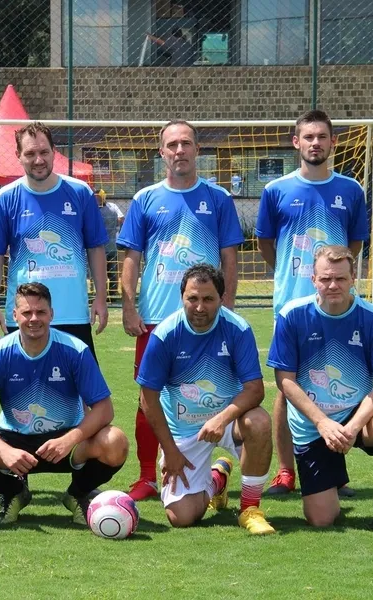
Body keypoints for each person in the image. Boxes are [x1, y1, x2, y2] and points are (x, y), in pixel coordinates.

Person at [117, 119, 243, 501]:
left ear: (197, 150)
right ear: (161, 152)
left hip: (209, 320)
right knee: (148, 397)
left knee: (219, 393)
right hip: (157, 319)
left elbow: (229, 257)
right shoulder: (145, 199)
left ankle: (220, 463)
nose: (179, 151)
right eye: (172, 145)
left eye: (186, 143)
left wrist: (229, 308)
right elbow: (131, 258)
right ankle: (146, 477)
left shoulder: (218, 198)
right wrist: (128, 306)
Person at [255, 109, 369, 498]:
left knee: (339, 382)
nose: (315, 143)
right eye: (308, 137)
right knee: (287, 387)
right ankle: (286, 472)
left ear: (332, 142)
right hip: (291, 303)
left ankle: (334, 472)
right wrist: (294, 276)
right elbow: (266, 245)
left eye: (322, 136)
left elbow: (352, 248)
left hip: (338, 304)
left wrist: (334, 280)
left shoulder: (351, 190)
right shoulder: (276, 191)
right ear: (296, 142)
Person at [0, 283, 128, 525]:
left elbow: (104, 409)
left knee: (115, 442)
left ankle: (77, 494)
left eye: (41, 312)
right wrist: (3, 450)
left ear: (51, 314)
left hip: (66, 442)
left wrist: (70, 439)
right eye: (26, 313)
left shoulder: (75, 350)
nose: (34, 319)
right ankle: (14, 491)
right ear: (14, 315)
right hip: (14, 442)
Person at [267, 246, 373, 531]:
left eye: (341, 279)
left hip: (357, 415)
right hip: (312, 423)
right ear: (313, 279)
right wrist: (321, 423)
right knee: (321, 520)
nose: (333, 285)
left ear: (353, 278)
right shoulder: (292, 316)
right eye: (326, 278)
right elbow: (285, 380)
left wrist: (353, 426)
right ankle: (331, 476)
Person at [136, 264, 275, 534]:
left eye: (208, 299)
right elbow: (148, 399)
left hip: (228, 423)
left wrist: (222, 419)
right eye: (193, 298)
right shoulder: (165, 335)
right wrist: (171, 451)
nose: (200, 307)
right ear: (182, 297)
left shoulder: (238, 329)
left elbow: (255, 389)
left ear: (221, 299)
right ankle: (216, 480)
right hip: (184, 431)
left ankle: (249, 509)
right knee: (182, 517)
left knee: (258, 421)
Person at [0, 122, 108, 359]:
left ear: (54, 152)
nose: (38, 160)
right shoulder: (6, 198)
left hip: (73, 314)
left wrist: (101, 297)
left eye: (43, 152)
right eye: (30, 153)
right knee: (21, 391)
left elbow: (95, 248)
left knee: (80, 393)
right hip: (25, 315)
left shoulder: (80, 192)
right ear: (18, 156)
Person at [95, 189, 124, 298]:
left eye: (97, 197)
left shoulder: (95, 210)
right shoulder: (113, 207)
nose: (96, 199)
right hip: (111, 242)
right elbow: (121, 219)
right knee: (112, 269)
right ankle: (112, 292)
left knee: (100, 271)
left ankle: (102, 292)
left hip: (99, 245)